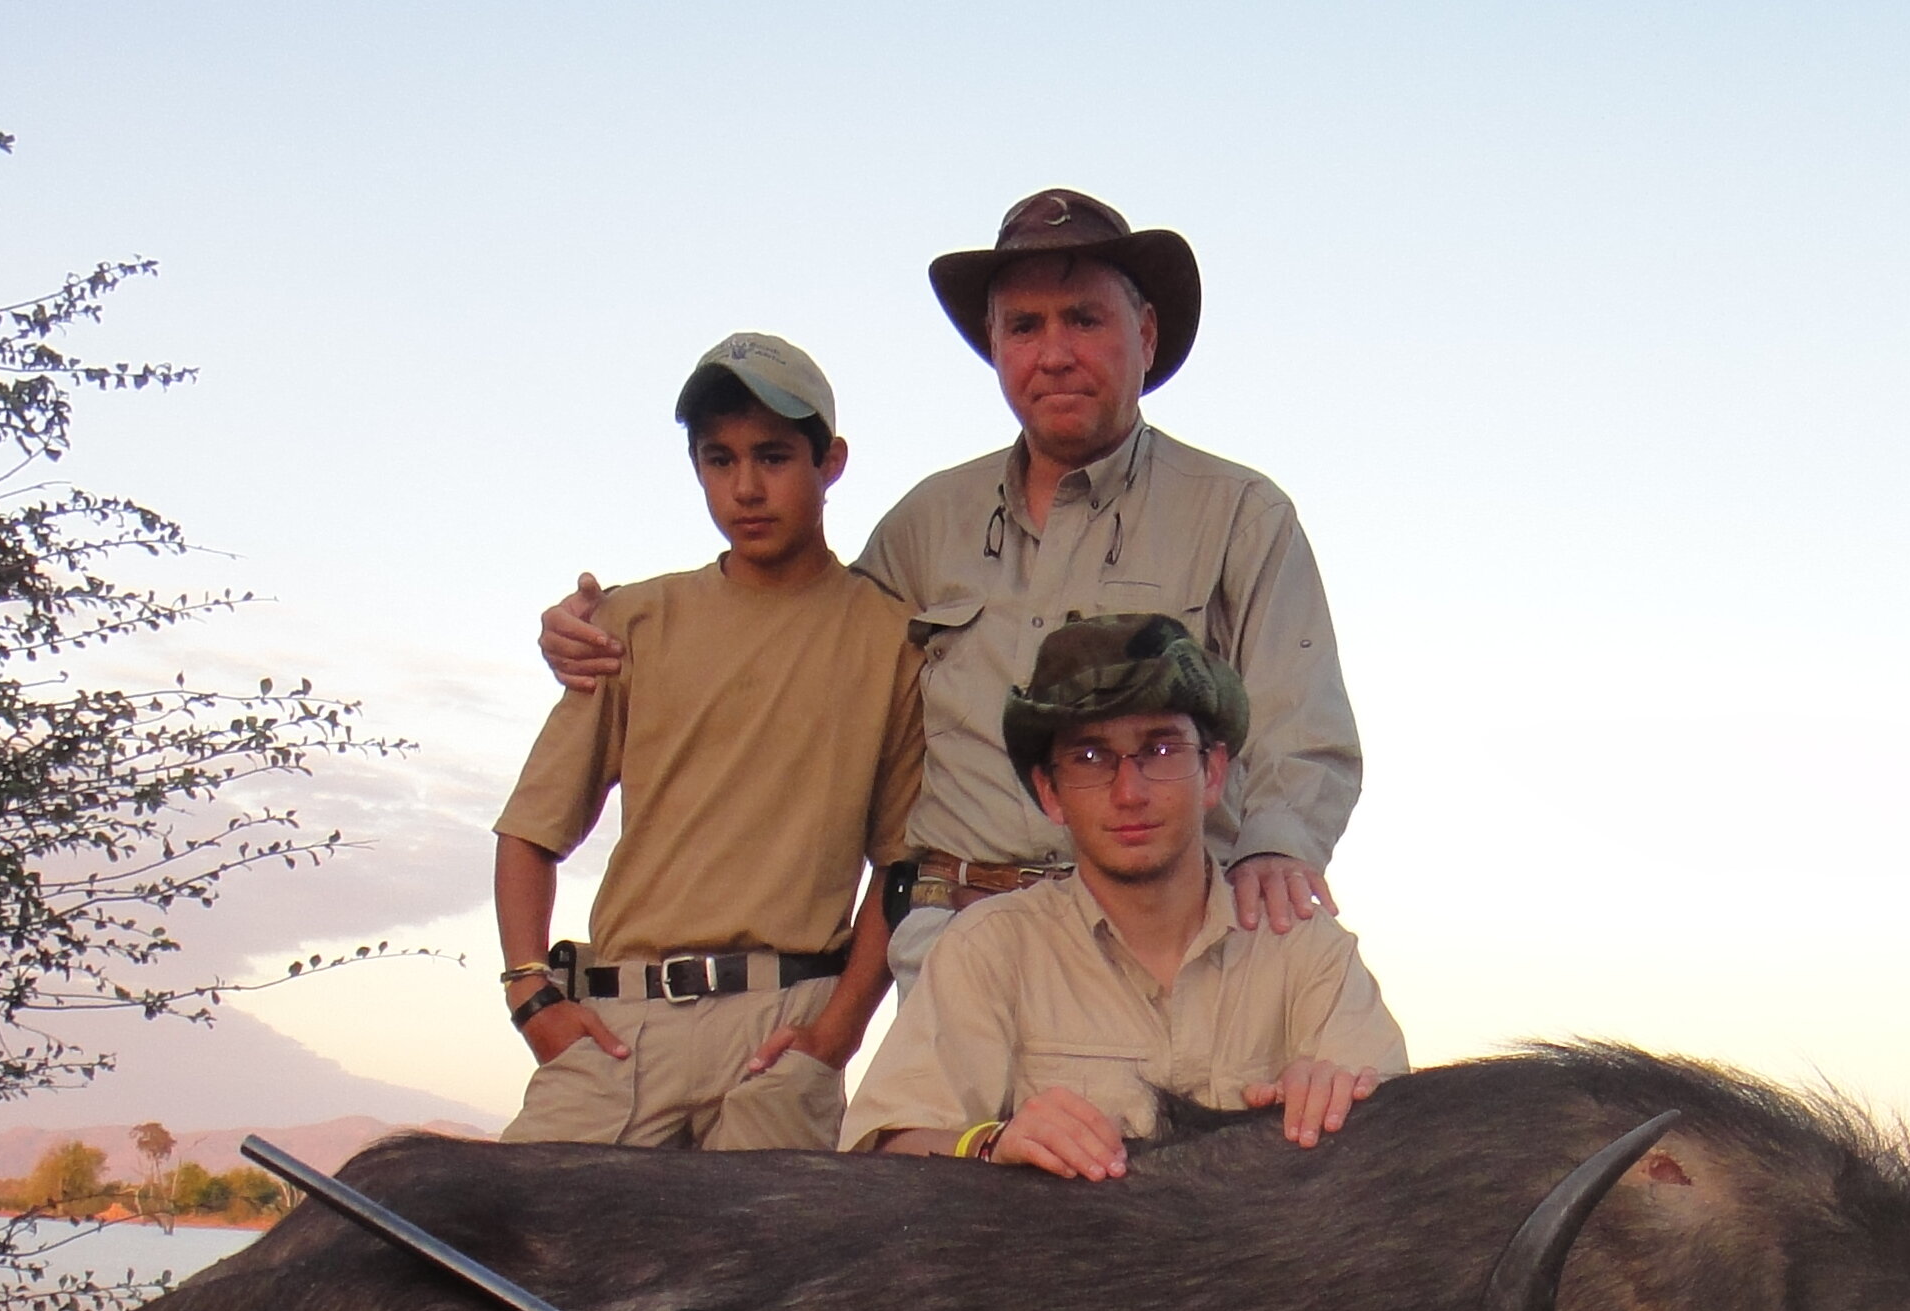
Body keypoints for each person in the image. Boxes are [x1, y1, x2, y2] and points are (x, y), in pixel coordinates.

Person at [539, 191, 1359, 998]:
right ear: (996, 349)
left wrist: (1276, 850)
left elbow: (1302, 720)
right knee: (934, 1138)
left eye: (1084, 319)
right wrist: (607, 622)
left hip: (1161, 947)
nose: (1054, 352)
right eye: (1024, 327)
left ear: (1143, 334)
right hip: (952, 948)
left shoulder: (1239, 514)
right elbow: (797, 628)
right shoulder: (928, 523)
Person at [492, 333, 921, 1149]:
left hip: (784, 1027)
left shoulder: (892, 638)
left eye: (773, 456)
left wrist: (837, 1035)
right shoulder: (631, 624)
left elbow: (901, 868)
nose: (747, 488)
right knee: (506, 1262)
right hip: (620, 1033)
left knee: (764, 1280)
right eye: (718, 461)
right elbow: (531, 828)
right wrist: (531, 997)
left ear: (829, 463)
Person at [842, 615, 1402, 1175]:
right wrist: (993, 1145)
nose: (1128, 792)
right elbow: (882, 1152)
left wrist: (1351, 1104)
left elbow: (1410, 1158)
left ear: (1212, 773)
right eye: (1089, 758)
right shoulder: (989, 948)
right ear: (1050, 793)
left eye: (1159, 751)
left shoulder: (1306, 951)